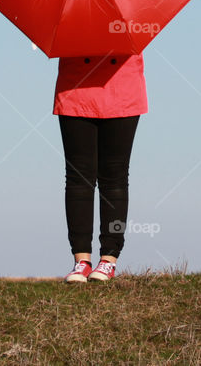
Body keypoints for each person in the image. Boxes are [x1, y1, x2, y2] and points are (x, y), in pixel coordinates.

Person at [54, 52, 147, 283]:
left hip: (122, 87)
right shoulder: (71, 18)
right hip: (75, 88)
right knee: (78, 178)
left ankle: (109, 259)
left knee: (114, 177)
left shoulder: (130, 19)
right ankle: (81, 261)